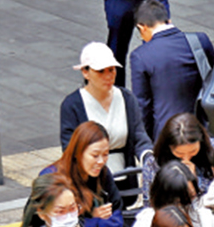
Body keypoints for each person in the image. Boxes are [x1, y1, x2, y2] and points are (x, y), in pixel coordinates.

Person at [128, 1, 214, 144]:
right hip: (204, 130)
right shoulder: (200, 40)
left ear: (142, 27)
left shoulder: (140, 56)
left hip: (167, 134)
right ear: (168, 20)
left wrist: (147, 141)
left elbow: (143, 105)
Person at [59, 42, 150, 182]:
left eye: (111, 70)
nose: (108, 76)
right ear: (85, 72)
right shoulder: (72, 105)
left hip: (125, 176)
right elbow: (70, 148)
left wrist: (148, 157)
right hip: (91, 182)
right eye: (101, 71)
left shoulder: (126, 98)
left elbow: (139, 137)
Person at [45, 121, 124, 227]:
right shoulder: (53, 178)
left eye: (105, 155)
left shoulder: (102, 173)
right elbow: (52, 224)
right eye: (95, 155)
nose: (101, 161)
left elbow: (117, 206)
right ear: (78, 152)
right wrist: (94, 219)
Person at [133, 114, 214, 227]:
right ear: (169, 147)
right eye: (179, 154)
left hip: (212, 221)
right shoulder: (154, 164)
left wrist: (197, 182)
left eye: (193, 151)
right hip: (173, 225)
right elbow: (150, 204)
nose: (186, 158)